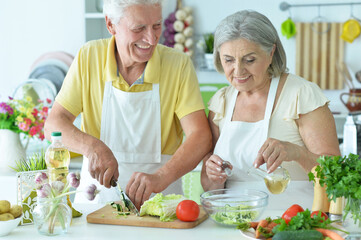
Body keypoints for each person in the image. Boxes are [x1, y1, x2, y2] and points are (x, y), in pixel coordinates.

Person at [44, 0, 212, 208]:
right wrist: (93, 147)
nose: (151, 39)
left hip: (162, 201)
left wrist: (160, 177)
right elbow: (53, 125)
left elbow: (201, 136)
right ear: (110, 25)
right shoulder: (89, 57)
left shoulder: (178, 65)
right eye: (139, 28)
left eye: (157, 26)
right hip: (97, 200)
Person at [200, 10, 340, 202]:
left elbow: (336, 174)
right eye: (228, 60)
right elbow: (209, 186)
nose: (238, 70)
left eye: (250, 60)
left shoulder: (300, 94)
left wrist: (297, 153)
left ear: (271, 52)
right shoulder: (221, 102)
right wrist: (213, 174)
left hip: (293, 219)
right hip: (232, 217)